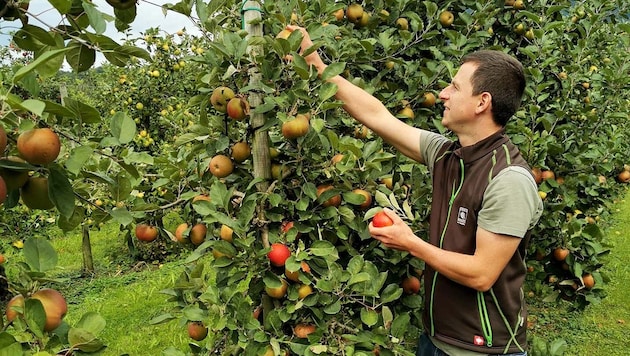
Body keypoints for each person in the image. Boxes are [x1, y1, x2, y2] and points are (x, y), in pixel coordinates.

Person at [286, 25, 544, 355]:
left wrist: (411, 243)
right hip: (436, 339)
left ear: (482, 102)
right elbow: (378, 117)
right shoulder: (448, 155)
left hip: (484, 349)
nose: (443, 94)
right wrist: (318, 66)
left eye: (454, 86)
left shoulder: (508, 180)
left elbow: (482, 274)